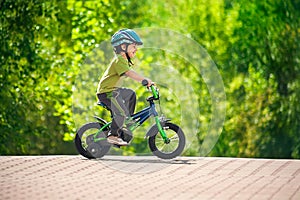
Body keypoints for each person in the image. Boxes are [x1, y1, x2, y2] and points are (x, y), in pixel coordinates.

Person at [97, 29, 153, 146]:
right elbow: (129, 73)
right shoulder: (119, 60)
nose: (136, 49)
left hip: (114, 91)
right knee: (120, 113)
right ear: (123, 46)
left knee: (131, 94)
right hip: (107, 92)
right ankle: (113, 135)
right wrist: (144, 80)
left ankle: (128, 122)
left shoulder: (123, 60)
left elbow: (130, 72)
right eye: (133, 46)